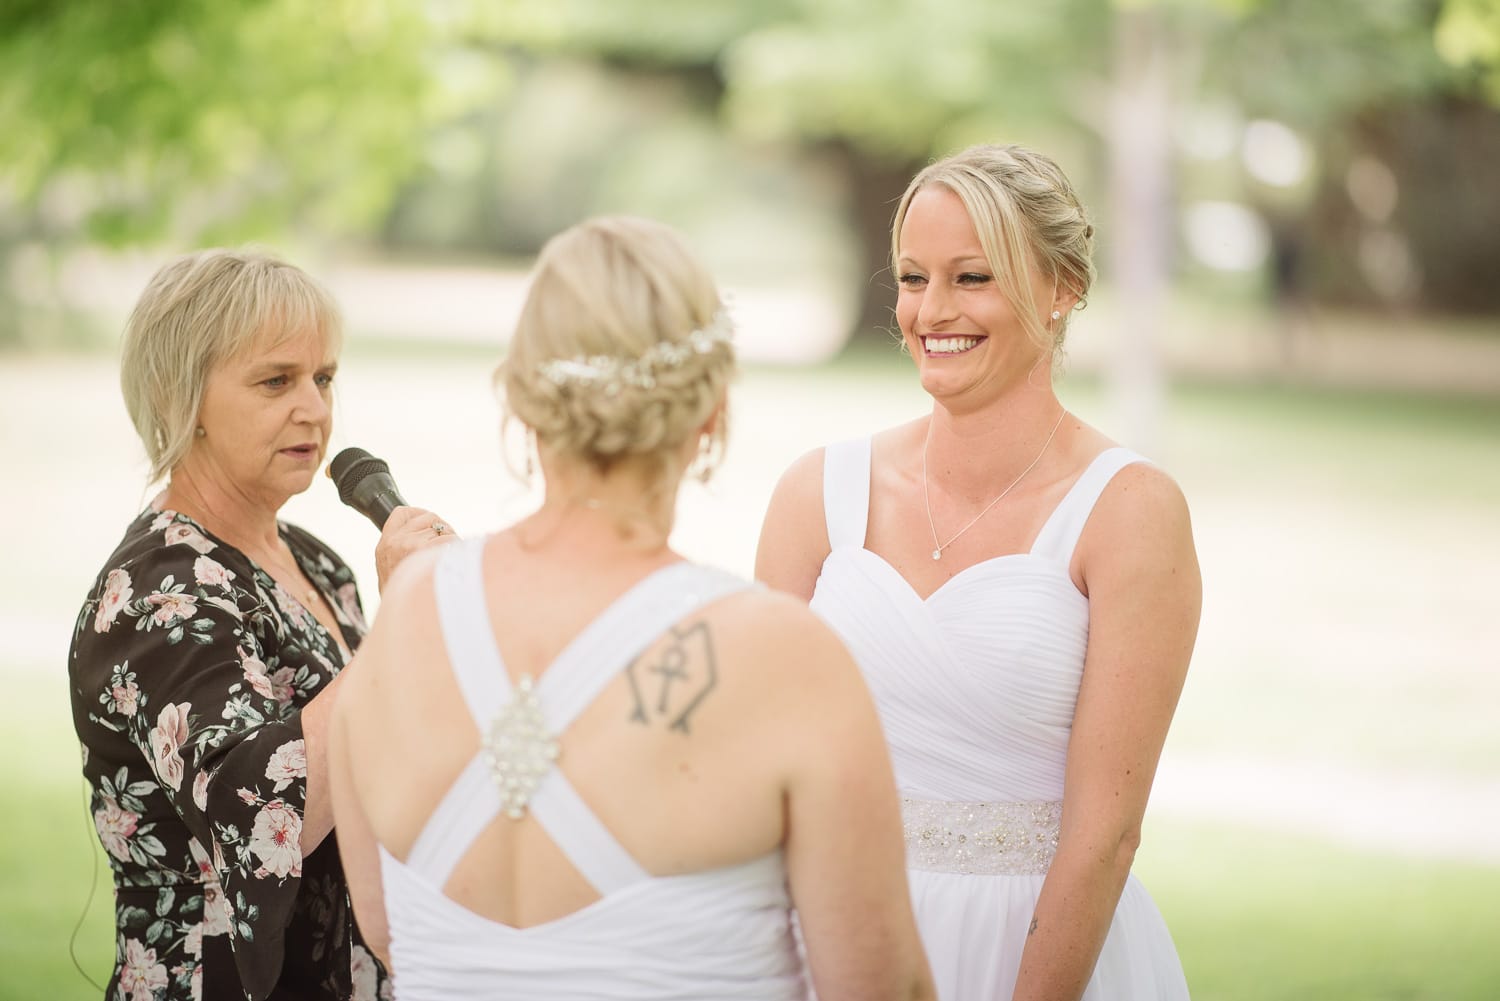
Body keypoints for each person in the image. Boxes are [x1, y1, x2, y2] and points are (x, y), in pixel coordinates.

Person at [327, 216, 936, 1000]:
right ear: (711, 408)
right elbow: (879, 985)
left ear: (521, 395)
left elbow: (389, 934)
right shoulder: (782, 655)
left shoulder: (402, 618)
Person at [757, 143, 1202, 1001]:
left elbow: (1105, 836)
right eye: (914, 277)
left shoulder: (1128, 510)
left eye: (972, 277)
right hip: (838, 948)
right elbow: (764, 772)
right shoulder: (816, 492)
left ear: (1062, 288)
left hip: (1039, 952)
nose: (931, 311)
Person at [69, 249, 454, 1001]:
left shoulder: (315, 560)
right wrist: (407, 615)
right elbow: (261, 814)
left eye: (324, 377)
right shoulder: (157, 590)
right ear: (183, 399)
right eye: (277, 380)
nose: (313, 406)